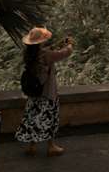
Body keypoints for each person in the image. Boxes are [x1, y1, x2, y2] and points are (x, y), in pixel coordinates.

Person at [16, 26, 73, 156]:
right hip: (46, 92)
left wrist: (55, 45)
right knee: (49, 118)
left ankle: (32, 146)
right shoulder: (45, 55)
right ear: (40, 42)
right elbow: (64, 53)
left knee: (33, 118)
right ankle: (51, 146)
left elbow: (44, 51)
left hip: (34, 93)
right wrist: (69, 44)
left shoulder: (30, 54)